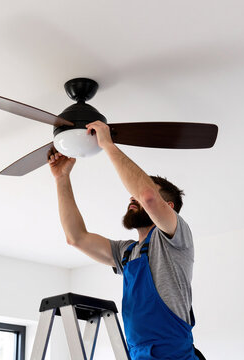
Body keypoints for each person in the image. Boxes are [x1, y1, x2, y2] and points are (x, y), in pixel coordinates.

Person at [49, 120, 204, 360]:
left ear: (169, 208)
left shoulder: (175, 238)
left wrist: (107, 144)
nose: (133, 197)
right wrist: (62, 178)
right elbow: (76, 237)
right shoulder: (127, 252)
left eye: (137, 195)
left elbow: (149, 196)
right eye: (131, 195)